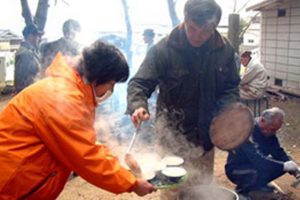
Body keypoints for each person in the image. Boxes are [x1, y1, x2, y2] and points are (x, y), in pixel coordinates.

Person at [0, 41, 155, 199]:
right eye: (111, 83)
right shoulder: (63, 97)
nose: (111, 90)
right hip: (10, 186)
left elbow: (82, 142)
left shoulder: (67, 90)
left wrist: (115, 161)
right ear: (97, 78)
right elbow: (86, 156)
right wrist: (132, 183)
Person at [127, 0, 240, 198]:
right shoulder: (164, 49)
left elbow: (230, 87)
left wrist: (226, 112)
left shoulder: (224, 51)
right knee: (172, 193)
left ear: (214, 26)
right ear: (185, 20)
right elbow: (139, 83)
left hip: (205, 139)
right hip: (171, 140)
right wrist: (138, 105)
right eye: (193, 29)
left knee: (202, 192)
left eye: (205, 31)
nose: (198, 36)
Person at [225, 107, 299, 197]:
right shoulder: (247, 131)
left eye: (275, 130)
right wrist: (284, 166)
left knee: (282, 164)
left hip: (255, 165)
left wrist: (295, 169)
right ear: (262, 120)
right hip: (237, 170)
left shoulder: (269, 132)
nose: (273, 132)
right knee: (277, 166)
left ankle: (258, 186)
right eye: (272, 129)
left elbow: (278, 152)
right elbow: (258, 160)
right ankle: (244, 190)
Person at [14, 24, 43, 93]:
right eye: (37, 36)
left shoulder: (31, 51)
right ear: (30, 36)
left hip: (32, 91)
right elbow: (21, 80)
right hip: (28, 93)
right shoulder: (24, 54)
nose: (39, 38)